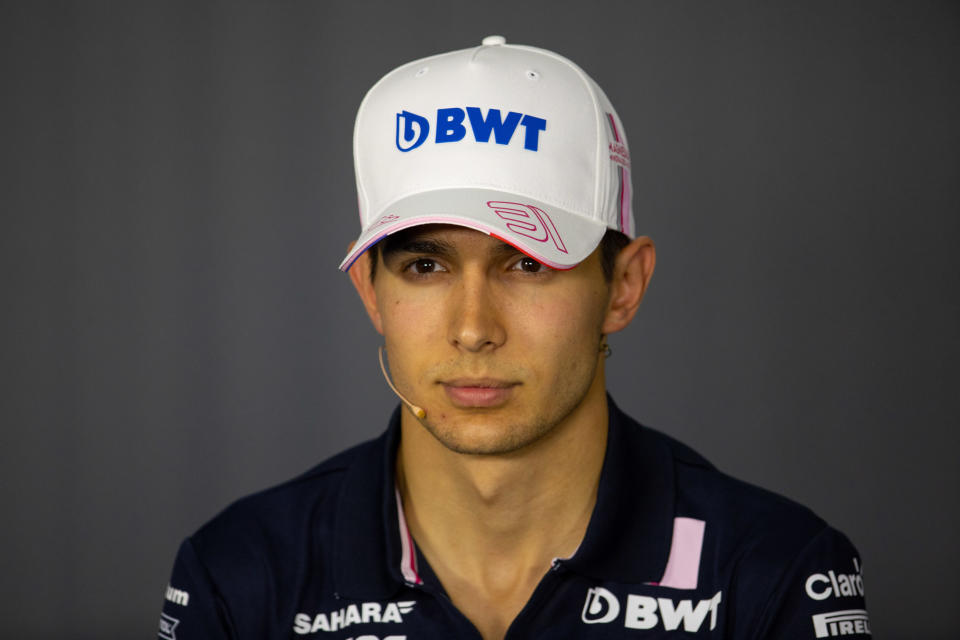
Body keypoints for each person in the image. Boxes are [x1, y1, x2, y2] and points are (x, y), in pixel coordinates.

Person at [159, 36, 870, 640]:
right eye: (426, 265)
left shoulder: (774, 573)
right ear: (371, 292)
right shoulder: (240, 575)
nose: (474, 328)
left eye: (529, 263)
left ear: (623, 285)